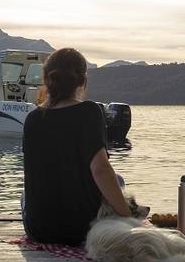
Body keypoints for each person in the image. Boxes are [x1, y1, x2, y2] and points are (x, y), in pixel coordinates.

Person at [22, 48, 130, 245]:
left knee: (24, 195)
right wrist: (127, 217)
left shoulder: (32, 119)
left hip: (39, 230)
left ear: (46, 79)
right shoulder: (90, 112)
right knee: (118, 180)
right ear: (82, 81)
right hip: (83, 229)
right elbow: (100, 169)